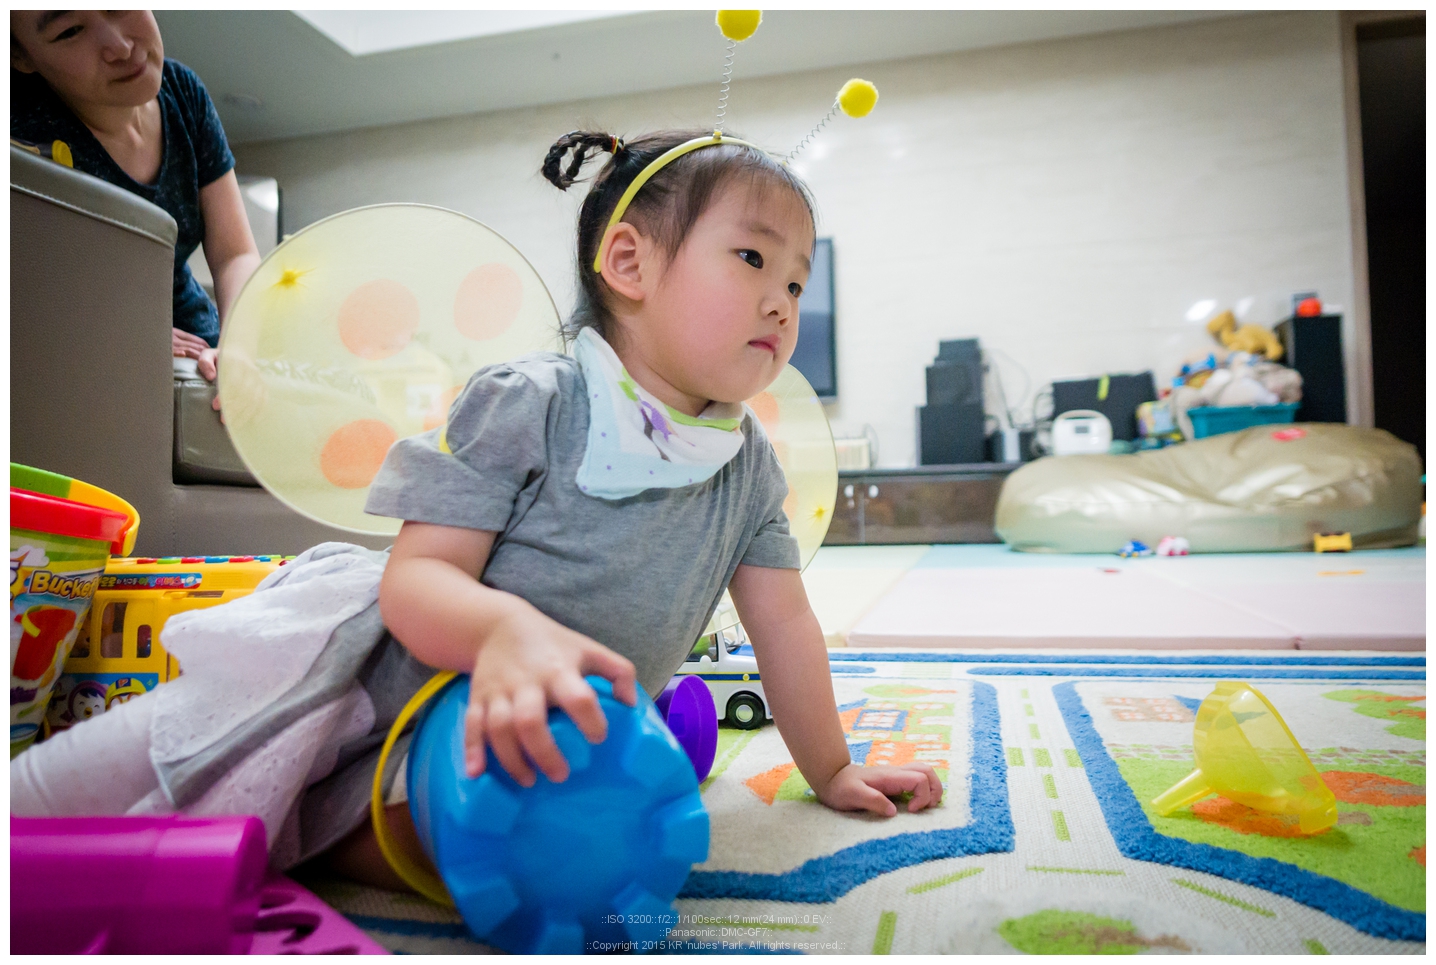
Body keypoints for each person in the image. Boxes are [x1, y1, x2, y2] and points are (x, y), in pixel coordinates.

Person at [10, 127, 942, 895]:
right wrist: (504, 633)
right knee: (170, 753)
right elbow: (417, 580)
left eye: (796, 283)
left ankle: (328, 834)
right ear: (629, 262)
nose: (782, 304)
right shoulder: (532, 401)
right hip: (364, 676)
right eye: (753, 259)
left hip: (498, 728)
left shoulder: (747, 464)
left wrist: (831, 767)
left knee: (537, 847)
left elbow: (785, 624)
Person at [10, 10, 259, 390]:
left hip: (196, 345)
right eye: (71, 31)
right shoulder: (20, 131)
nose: (121, 47)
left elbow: (234, 254)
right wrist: (124, 330)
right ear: (21, 56)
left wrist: (238, 344)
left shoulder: (184, 94)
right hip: (84, 355)